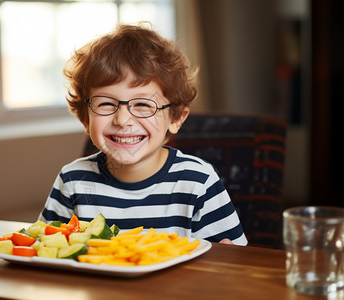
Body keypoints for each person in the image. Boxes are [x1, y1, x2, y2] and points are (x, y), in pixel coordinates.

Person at [39, 23, 248, 246]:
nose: (122, 120)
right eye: (106, 104)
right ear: (85, 119)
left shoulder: (198, 182)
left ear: (175, 119)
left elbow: (233, 262)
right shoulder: (72, 181)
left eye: (142, 104)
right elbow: (47, 250)